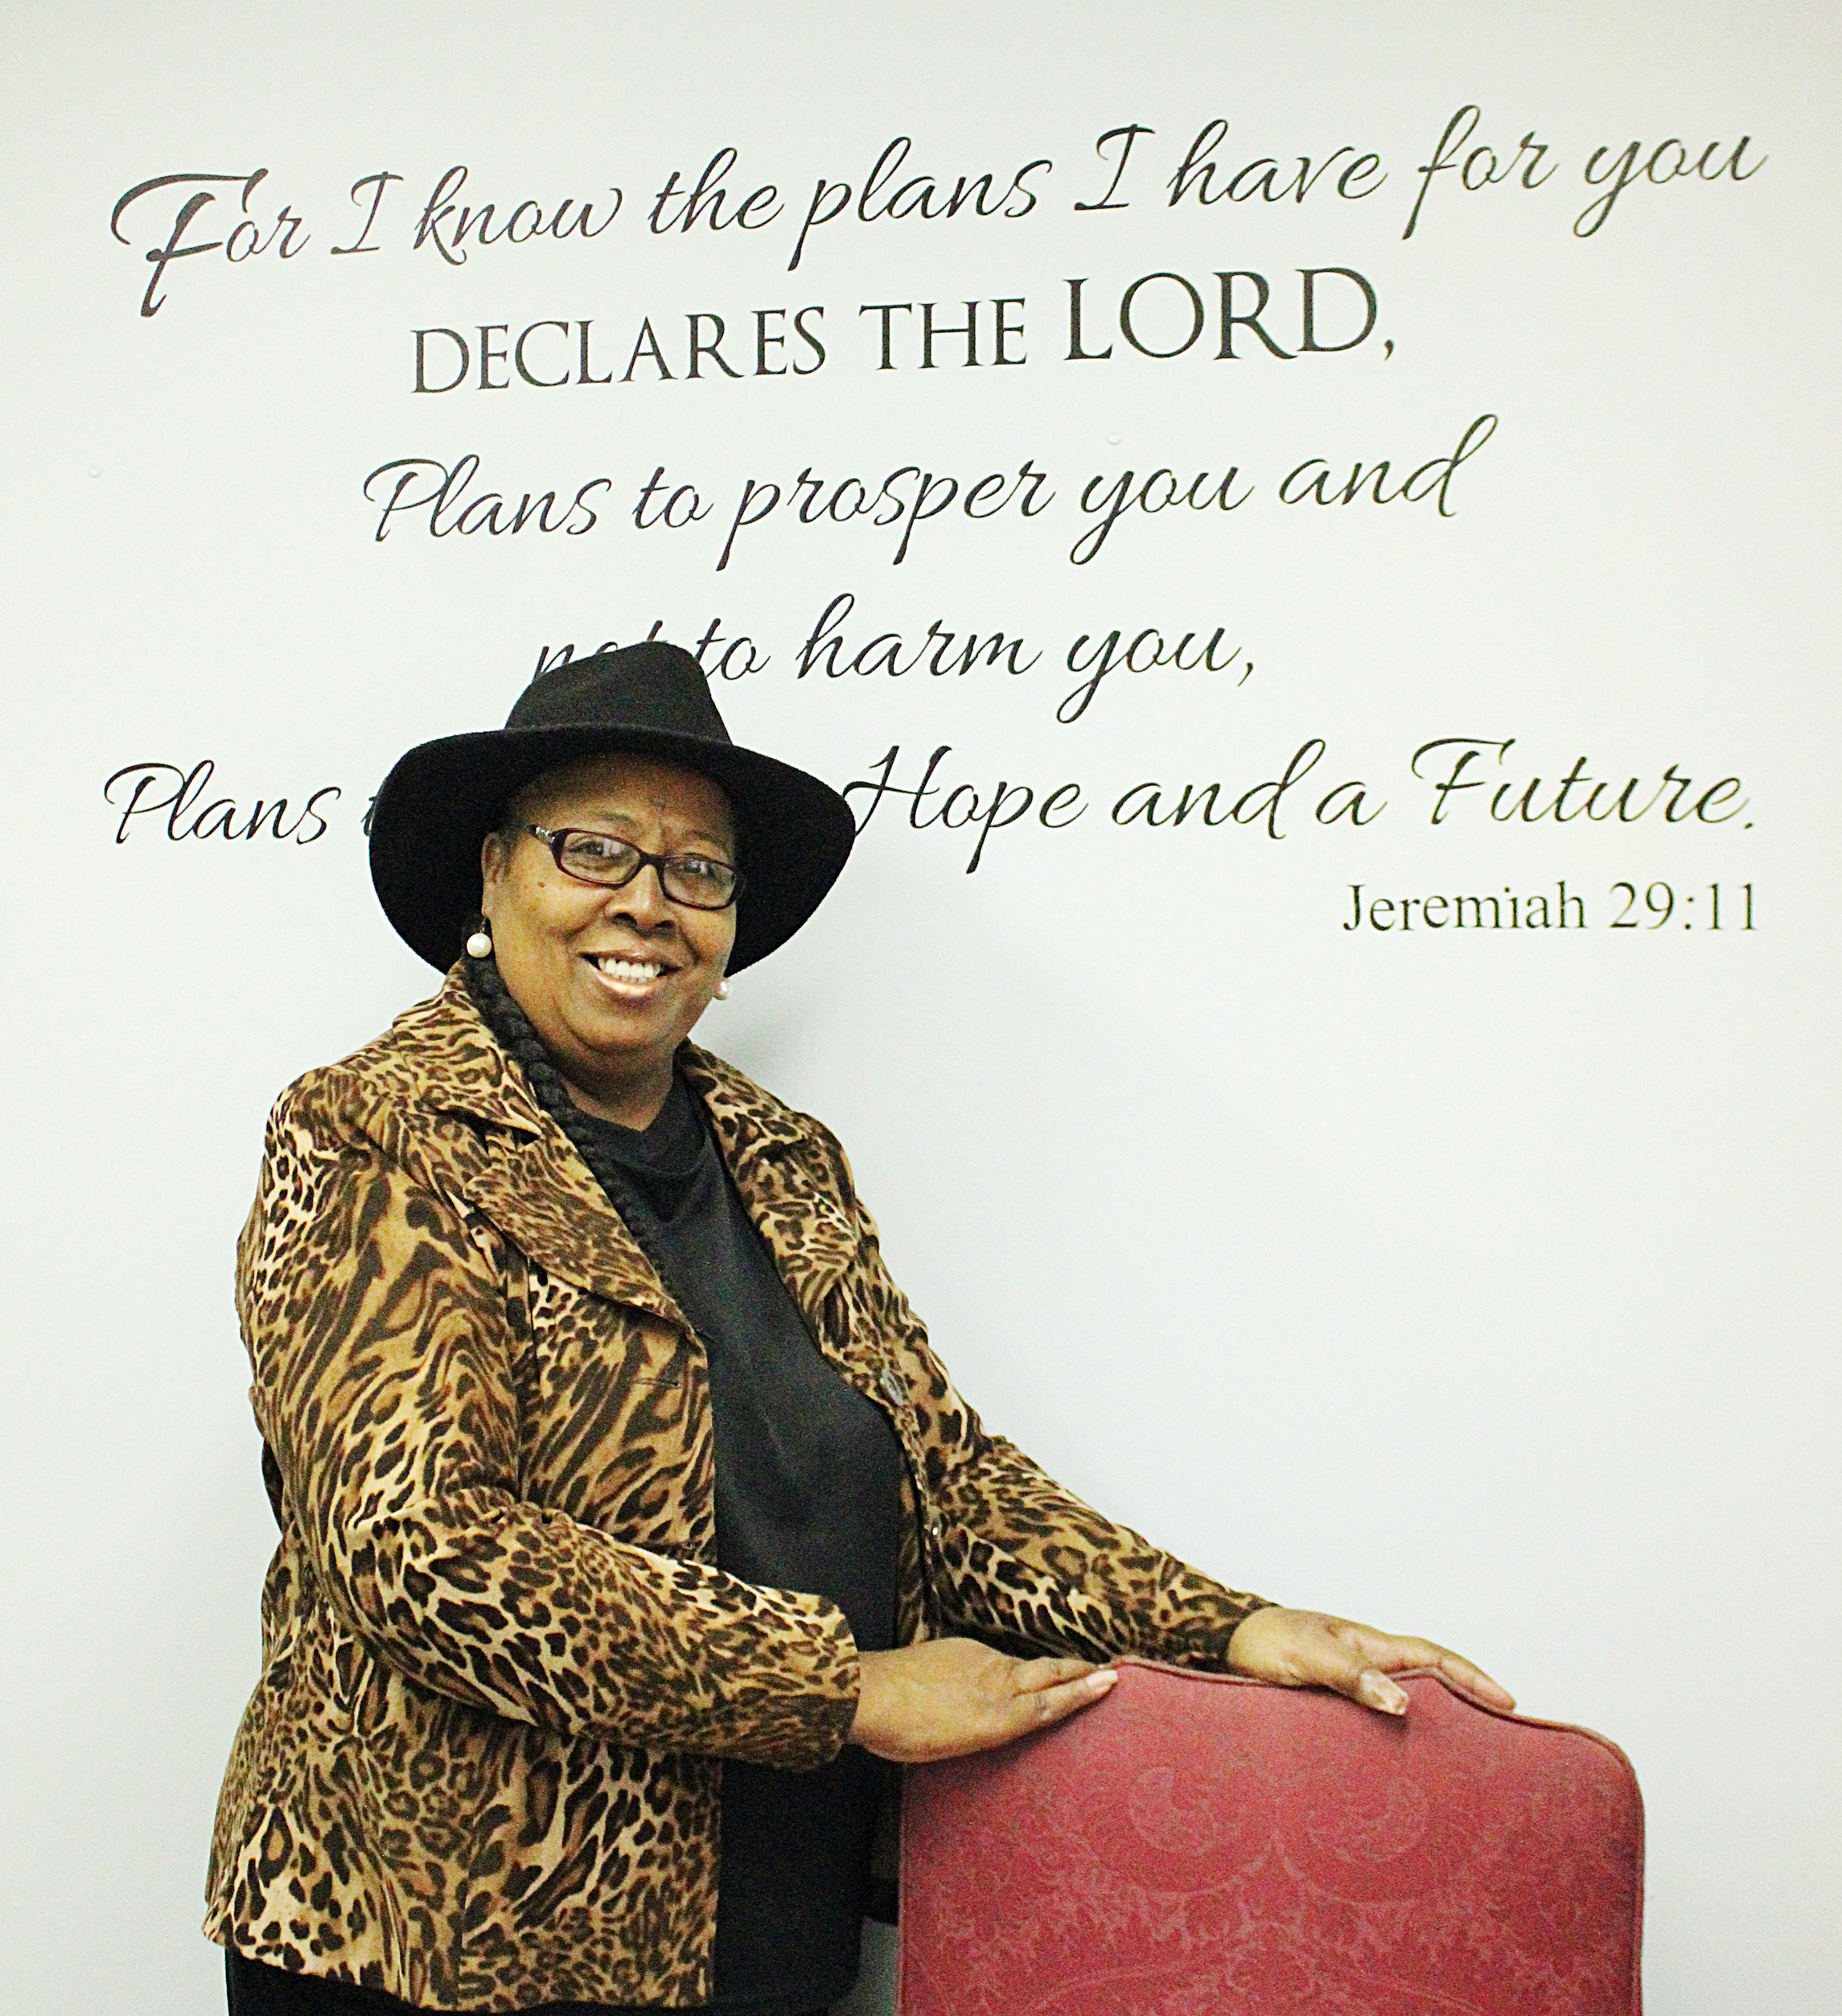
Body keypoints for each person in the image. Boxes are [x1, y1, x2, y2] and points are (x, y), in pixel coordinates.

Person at [207, 641, 1510, 2016]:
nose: (647, 903)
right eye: (593, 849)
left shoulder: (784, 1158)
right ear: (492, 871)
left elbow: (948, 1487)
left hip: (769, 1935)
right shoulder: (373, 1132)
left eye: (697, 870)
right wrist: (845, 1688)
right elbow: (420, 1547)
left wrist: (1228, 1624)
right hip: (444, 1950)